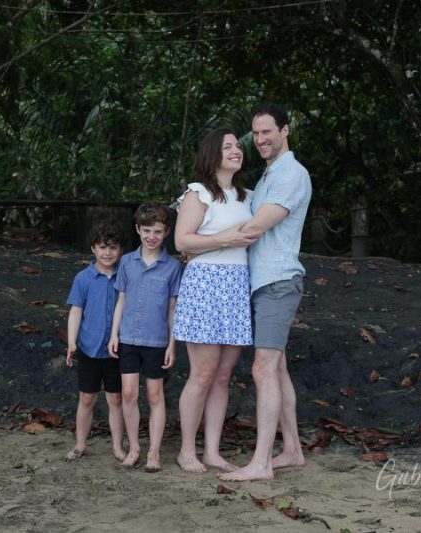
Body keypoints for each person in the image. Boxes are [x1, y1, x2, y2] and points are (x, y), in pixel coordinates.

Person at [220, 103, 312, 482]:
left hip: (278, 282)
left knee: (262, 368)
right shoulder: (271, 174)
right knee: (278, 368)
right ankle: (291, 450)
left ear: (285, 130)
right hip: (261, 283)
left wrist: (197, 243)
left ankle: (261, 463)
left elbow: (254, 228)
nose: (259, 140)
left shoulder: (293, 174)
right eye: (255, 134)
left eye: (266, 132)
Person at [172, 128, 257, 473]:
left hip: (237, 285)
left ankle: (212, 451)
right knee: (203, 374)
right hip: (205, 285)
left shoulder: (248, 196)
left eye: (238, 145)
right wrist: (226, 239)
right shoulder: (198, 193)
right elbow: (182, 241)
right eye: (228, 146)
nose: (237, 150)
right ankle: (187, 450)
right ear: (212, 153)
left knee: (223, 376)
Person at [108, 203, 182, 473]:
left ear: (167, 233)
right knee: (128, 393)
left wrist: (172, 343)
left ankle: (154, 452)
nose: (152, 236)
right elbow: (121, 299)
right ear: (138, 230)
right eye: (147, 230)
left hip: (157, 341)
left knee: (154, 394)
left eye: (158, 231)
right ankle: (135, 448)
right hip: (128, 337)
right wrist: (114, 334)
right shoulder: (127, 261)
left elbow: (173, 309)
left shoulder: (172, 267)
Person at [65, 220, 126, 463]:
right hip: (89, 348)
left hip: (116, 351)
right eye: (102, 247)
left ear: (121, 250)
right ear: (93, 249)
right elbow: (76, 311)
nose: (108, 253)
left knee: (116, 399)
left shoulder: (125, 275)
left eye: (113, 247)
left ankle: (118, 446)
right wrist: (72, 342)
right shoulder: (84, 278)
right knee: (87, 397)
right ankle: (80, 444)